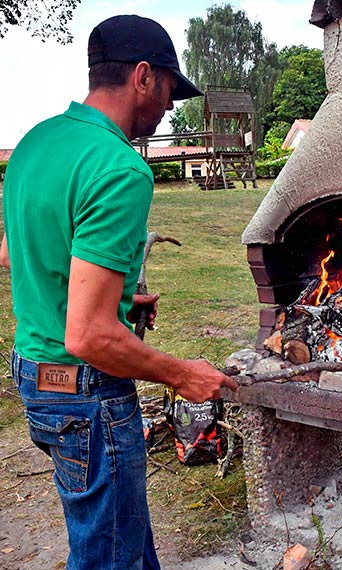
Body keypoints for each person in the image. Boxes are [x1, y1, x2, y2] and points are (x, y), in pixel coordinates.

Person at [0, 14, 238, 570]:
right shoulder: (120, 167)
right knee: (114, 557)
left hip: (36, 379)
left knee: (112, 538)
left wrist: (119, 298)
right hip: (85, 396)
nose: (171, 107)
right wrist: (184, 374)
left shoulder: (34, 144)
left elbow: (19, 252)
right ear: (142, 76)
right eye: (171, 91)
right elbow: (86, 336)